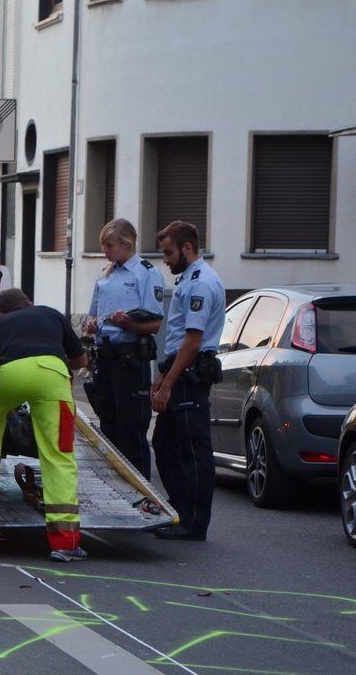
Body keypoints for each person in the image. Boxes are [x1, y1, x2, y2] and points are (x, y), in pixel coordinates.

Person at [0, 288, 89, 562]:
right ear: (29, 304)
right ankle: (65, 544)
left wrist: (9, 407)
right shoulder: (49, 313)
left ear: (1, 312)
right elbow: (81, 360)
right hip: (51, 374)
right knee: (57, 454)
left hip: (9, 375)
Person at [150, 220, 225, 541]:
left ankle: (194, 521)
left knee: (193, 449)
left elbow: (192, 342)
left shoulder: (201, 283)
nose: (165, 260)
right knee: (165, 443)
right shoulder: (189, 280)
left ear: (187, 248)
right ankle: (179, 509)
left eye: (168, 253)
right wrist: (162, 377)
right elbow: (179, 337)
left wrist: (168, 384)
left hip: (191, 374)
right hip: (178, 370)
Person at [83, 218, 165, 479]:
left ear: (126, 243)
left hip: (130, 357)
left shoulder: (146, 273)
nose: (105, 251)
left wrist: (128, 322)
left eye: (109, 245)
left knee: (130, 429)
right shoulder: (106, 273)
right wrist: (92, 324)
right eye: (103, 246)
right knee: (107, 425)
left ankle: (141, 491)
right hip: (105, 356)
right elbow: (91, 316)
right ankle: (113, 484)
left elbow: (154, 324)